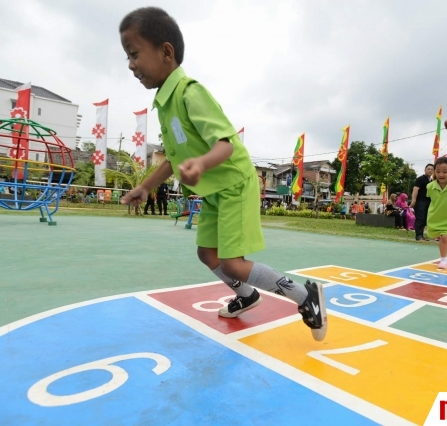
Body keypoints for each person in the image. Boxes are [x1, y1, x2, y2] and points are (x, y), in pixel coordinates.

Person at [118, 7, 327, 340]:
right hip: (214, 192)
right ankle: (247, 295)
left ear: (166, 52)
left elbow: (226, 145)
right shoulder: (165, 103)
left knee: (232, 263)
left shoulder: (189, 93)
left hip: (235, 184)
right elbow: (173, 158)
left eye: (134, 54)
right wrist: (145, 186)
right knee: (206, 254)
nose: (130, 65)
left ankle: (306, 297)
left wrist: (200, 164)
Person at [410, 163, 434, 241]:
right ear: (425, 170)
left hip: (428, 202)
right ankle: (418, 236)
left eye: (432, 169)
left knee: (425, 219)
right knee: (420, 218)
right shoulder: (420, 179)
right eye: (428, 169)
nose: (430, 171)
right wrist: (414, 200)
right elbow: (415, 189)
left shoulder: (432, 180)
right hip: (420, 201)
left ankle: (422, 235)